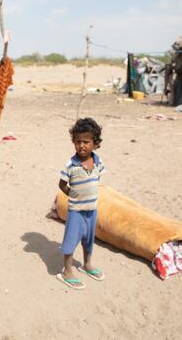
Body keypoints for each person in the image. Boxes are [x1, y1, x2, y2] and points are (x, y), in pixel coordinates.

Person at [56, 117, 106, 290]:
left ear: (95, 143)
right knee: (71, 241)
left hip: (91, 210)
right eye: (78, 142)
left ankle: (87, 264)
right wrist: (73, 195)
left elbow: (97, 180)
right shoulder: (71, 165)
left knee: (88, 240)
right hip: (76, 210)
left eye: (86, 142)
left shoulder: (98, 162)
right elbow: (62, 184)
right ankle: (67, 271)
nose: (82, 146)